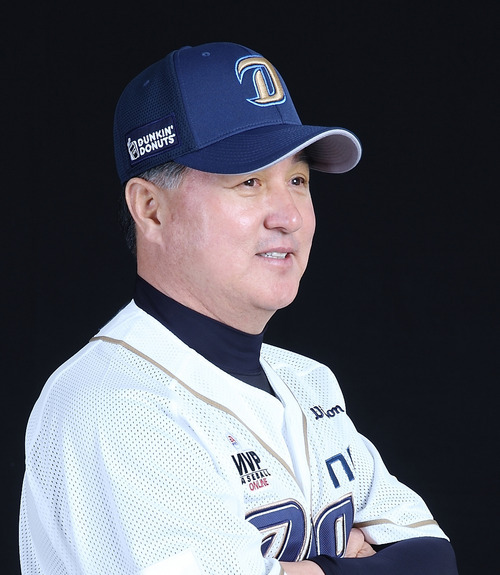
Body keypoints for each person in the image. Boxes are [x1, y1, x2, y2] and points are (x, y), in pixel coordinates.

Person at [19, 42, 458, 575]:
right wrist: (345, 564)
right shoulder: (112, 403)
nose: (288, 217)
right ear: (151, 209)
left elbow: (435, 558)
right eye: (249, 181)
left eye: (298, 180)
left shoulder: (309, 382)